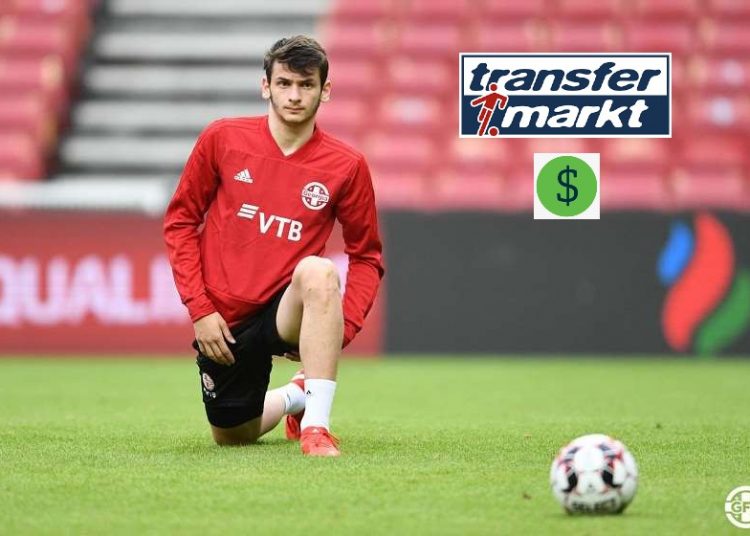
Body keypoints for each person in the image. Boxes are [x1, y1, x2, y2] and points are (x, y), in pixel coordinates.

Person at [163, 35, 384, 457]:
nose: (295, 95)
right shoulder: (222, 138)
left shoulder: (347, 165)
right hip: (226, 321)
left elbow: (366, 257)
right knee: (233, 436)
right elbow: (181, 222)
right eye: (284, 83)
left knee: (319, 272)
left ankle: (317, 428)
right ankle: (296, 396)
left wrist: (343, 329)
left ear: (325, 90)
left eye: (306, 84)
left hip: (288, 308)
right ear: (266, 86)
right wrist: (201, 311)